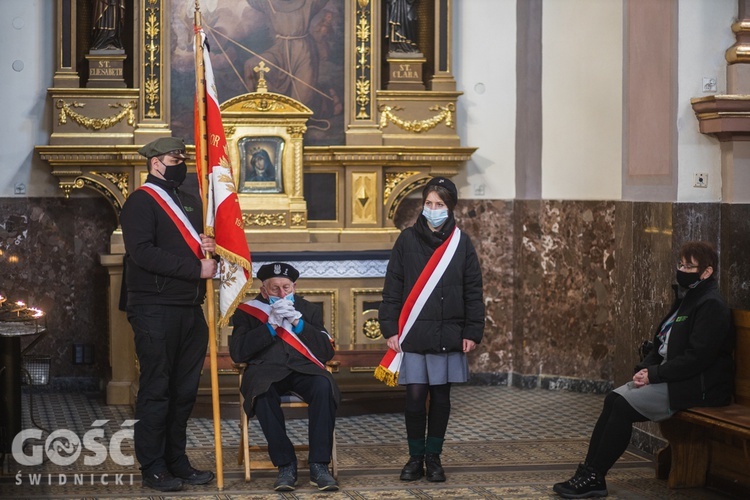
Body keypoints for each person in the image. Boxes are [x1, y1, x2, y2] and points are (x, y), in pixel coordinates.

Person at [553, 241, 734, 498]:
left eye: (690, 266)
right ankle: (589, 473)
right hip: (673, 377)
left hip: (700, 385)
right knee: (613, 399)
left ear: (707, 272)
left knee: (623, 407)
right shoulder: (687, 298)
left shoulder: (711, 305)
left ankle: (595, 476)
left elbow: (697, 358)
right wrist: (645, 369)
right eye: (680, 264)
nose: (682, 270)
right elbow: (661, 341)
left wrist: (655, 375)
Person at [120, 137, 217, 492]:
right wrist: (196, 270)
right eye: (174, 157)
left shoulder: (190, 201)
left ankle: (177, 460)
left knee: (185, 391)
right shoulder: (140, 202)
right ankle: (154, 466)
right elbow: (142, 253)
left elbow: (204, 256)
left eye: (182, 157)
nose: (181, 162)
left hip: (190, 309)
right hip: (154, 308)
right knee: (158, 389)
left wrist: (211, 251)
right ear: (154, 163)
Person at [378, 176, 485, 483]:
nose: (433, 209)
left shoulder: (461, 244)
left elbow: (473, 290)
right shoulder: (406, 240)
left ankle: (434, 458)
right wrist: (390, 328)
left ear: (450, 208)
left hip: (448, 333)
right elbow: (392, 289)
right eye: (428, 203)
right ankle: (414, 458)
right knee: (414, 397)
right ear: (422, 205)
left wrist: (472, 330)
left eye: (439, 204)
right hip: (413, 335)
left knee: (440, 397)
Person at [229, 262, 340, 492]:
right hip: (266, 371)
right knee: (261, 393)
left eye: (287, 288)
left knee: (323, 386)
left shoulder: (308, 310)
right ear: (263, 290)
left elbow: (326, 352)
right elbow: (238, 352)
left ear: (294, 287)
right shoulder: (247, 312)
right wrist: (269, 327)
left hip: (304, 370)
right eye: (275, 289)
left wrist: (300, 324)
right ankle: (286, 465)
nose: (281, 294)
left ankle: (319, 465)